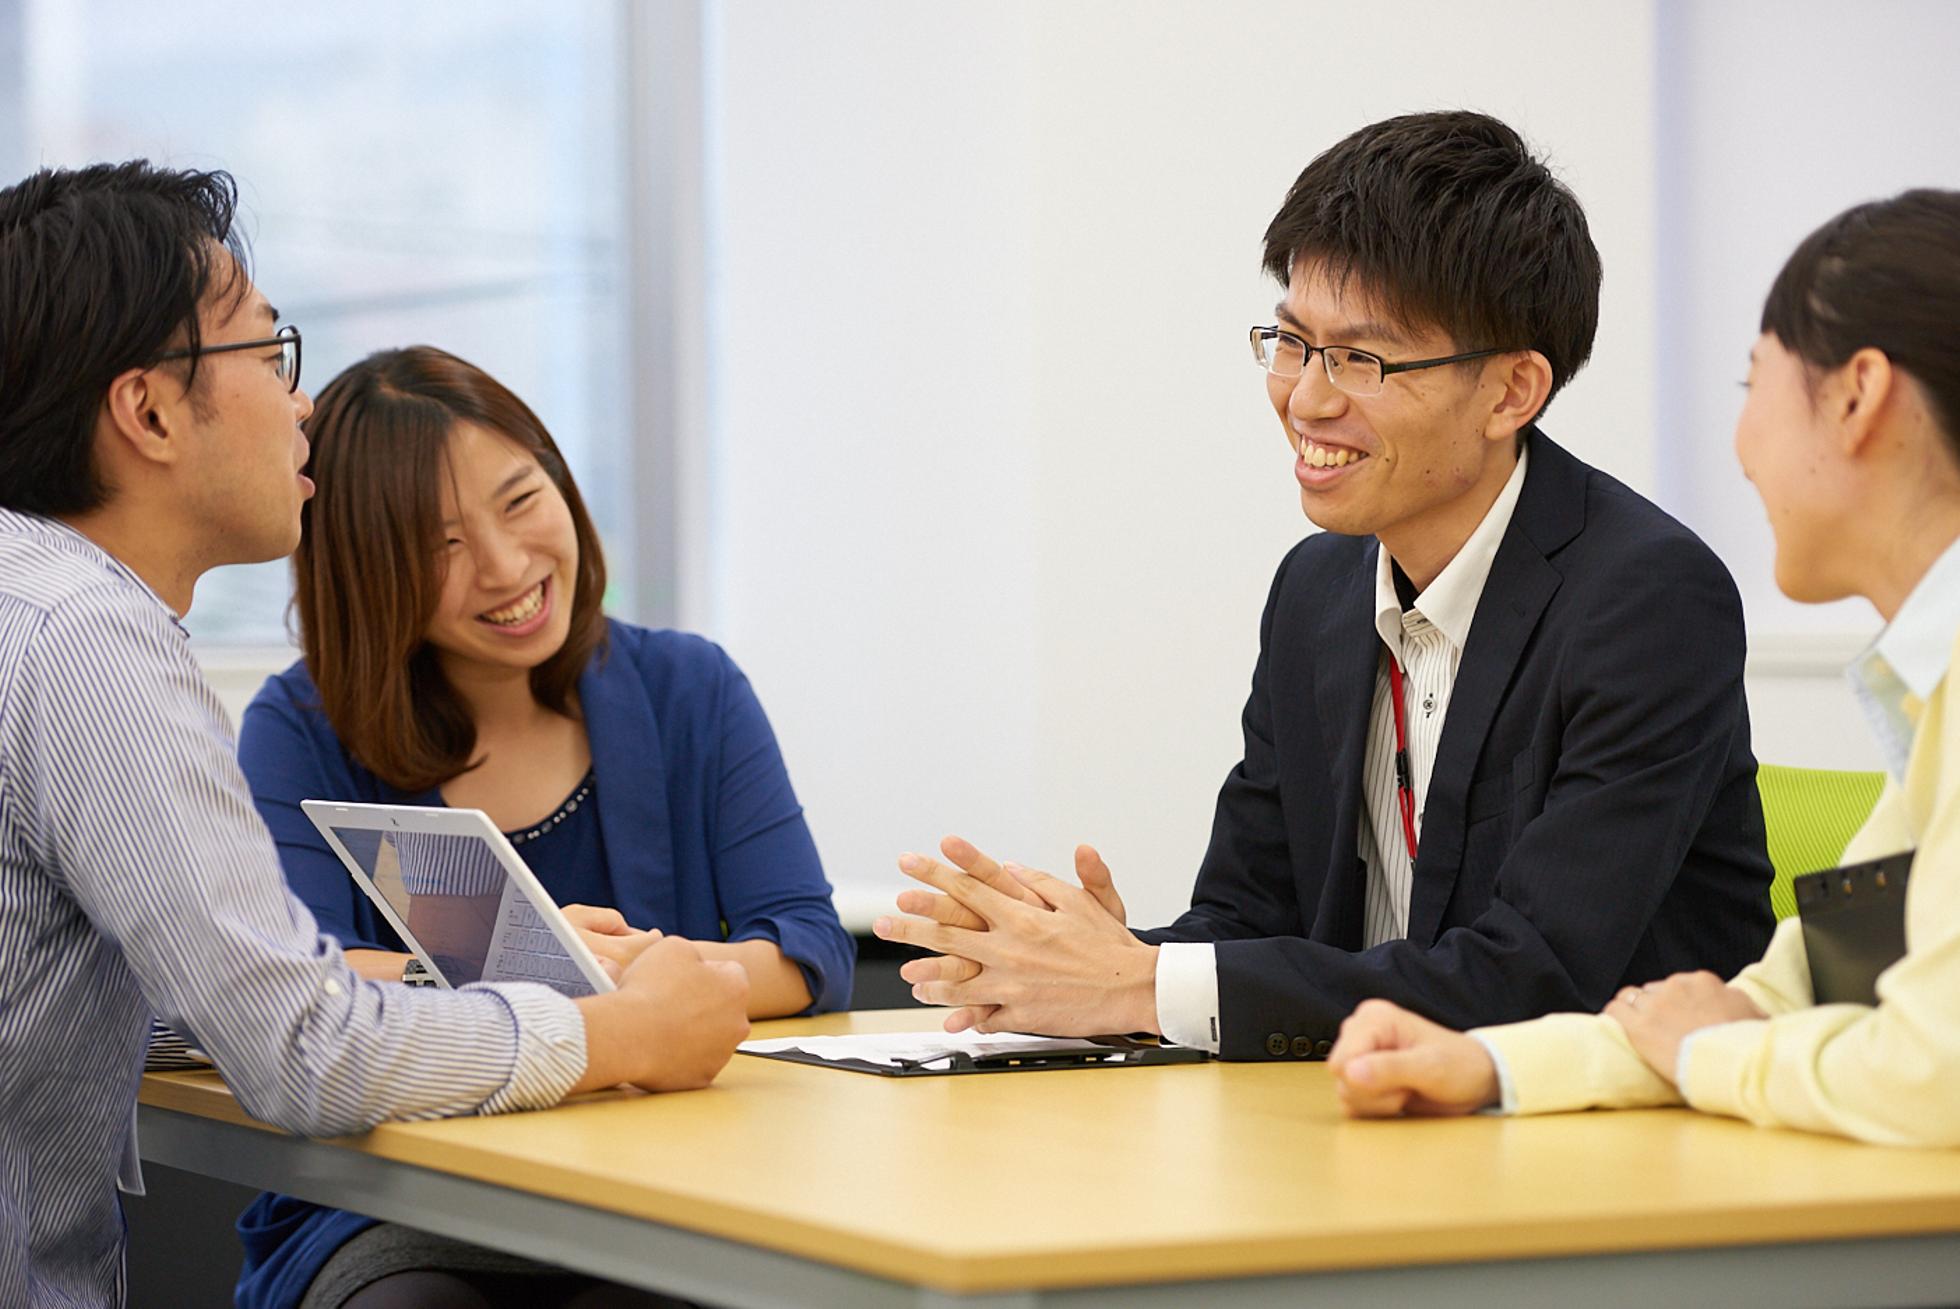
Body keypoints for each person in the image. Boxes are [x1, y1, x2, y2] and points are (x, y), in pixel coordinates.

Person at [0, 162, 750, 1309]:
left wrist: (454, 974)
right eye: (269, 354)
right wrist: (615, 1033)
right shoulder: (89, 640)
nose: (301, 404)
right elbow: (302, 1050)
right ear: (148, 412)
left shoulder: (32, 606)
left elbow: (135, 990)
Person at [874, 110, 1774, 1056]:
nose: (1306, 397)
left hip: (1604, 1121)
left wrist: (1141, 983)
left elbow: (1532, 975)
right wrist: (1085, 961)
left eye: (1360, 359)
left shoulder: (1646, 598)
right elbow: (1252, 915)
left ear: (1511, 391)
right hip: (1367, 1105)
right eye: (1294, 342)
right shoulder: (1317, 590)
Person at [1328, 189, 1960, 1148]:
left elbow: (1930, 1072)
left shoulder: (1647, 592)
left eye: (1753, 383)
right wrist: (1492, 1065)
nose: (1741, 450)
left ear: (1857, 395)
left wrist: (1710, 1050)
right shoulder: (1930, 693)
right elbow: (1777, 999)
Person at [231, 345, 854, 1307]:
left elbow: (809, 947)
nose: (505, 564)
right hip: (403, 1197)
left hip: (670, 1182)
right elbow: (307, 976)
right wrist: (565, 979)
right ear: (366, 570)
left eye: (521, 499)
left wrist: (654, 979)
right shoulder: (301, 727)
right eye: (438, 545)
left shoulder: (688, 687)